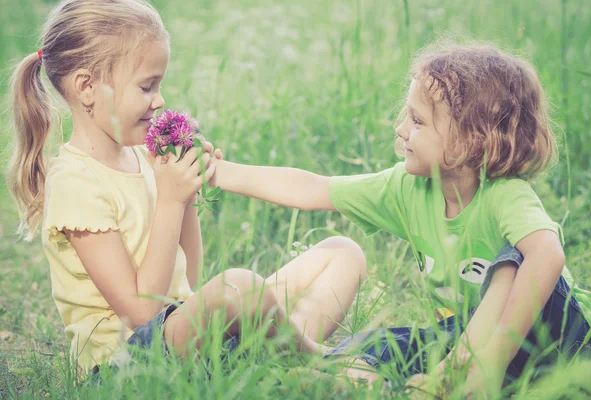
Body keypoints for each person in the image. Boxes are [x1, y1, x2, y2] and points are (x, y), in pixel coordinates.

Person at [207, 42, 591, 395]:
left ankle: (455, 376)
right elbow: (313, 189)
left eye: (417, 121)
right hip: (466, 338)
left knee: (511, 260)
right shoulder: (409, 188)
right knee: (393, 343)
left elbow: (547, 256)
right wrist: (218, 172)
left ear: (471, 140)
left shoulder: (504, 194)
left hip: (563, 340)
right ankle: (349, 379)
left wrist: (493, 355)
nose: (400, 129)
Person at [6, 0, 367, 380]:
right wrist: (169, 199)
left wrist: (187, 195)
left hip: (180, 330)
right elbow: (142, 313)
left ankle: (282, 351)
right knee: (239, 286)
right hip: (124, 363)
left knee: (341, 254)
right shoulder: (76, 184)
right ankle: (322, 361)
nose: (160, 101)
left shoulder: (142, 156)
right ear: (87, 87)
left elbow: (189, 279)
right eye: (147, 86)